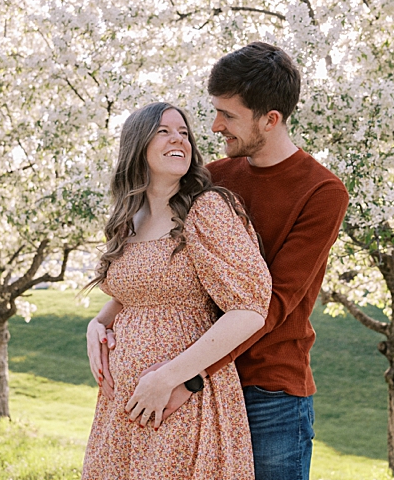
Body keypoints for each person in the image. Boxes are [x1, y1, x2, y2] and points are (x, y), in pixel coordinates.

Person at [92, 42, 350, 480]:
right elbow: (162, 269)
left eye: (228, 116)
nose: (213, 127)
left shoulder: (322, 193)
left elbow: (269, 305)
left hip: (267, 390)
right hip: (188, 382)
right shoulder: (210, 178)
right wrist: (103, 320)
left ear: (270, 119)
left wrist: (186, 378)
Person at [81, 101, 271, 480]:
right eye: (164, 131)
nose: (178, 140)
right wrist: (97, 324)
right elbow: (137, 293)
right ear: (138, 144)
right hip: (123, 410)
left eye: (184, 133)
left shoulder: (205, 210)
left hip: (182, 401)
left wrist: (169, 378)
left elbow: (250, 308)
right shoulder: (128, 218)